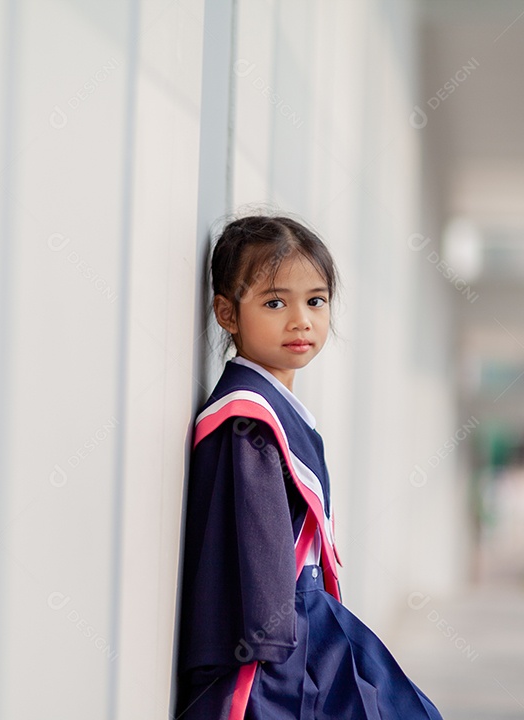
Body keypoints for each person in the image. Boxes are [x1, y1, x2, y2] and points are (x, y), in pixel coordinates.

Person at [174, 215, 443, 720]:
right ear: (227, 313)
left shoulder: (272, 410)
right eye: (275, 302)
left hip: (307, 624)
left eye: (315, 300)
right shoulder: (246, 419)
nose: (301, 320)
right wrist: (286, 667)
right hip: (277, 653)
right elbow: (262, 576)